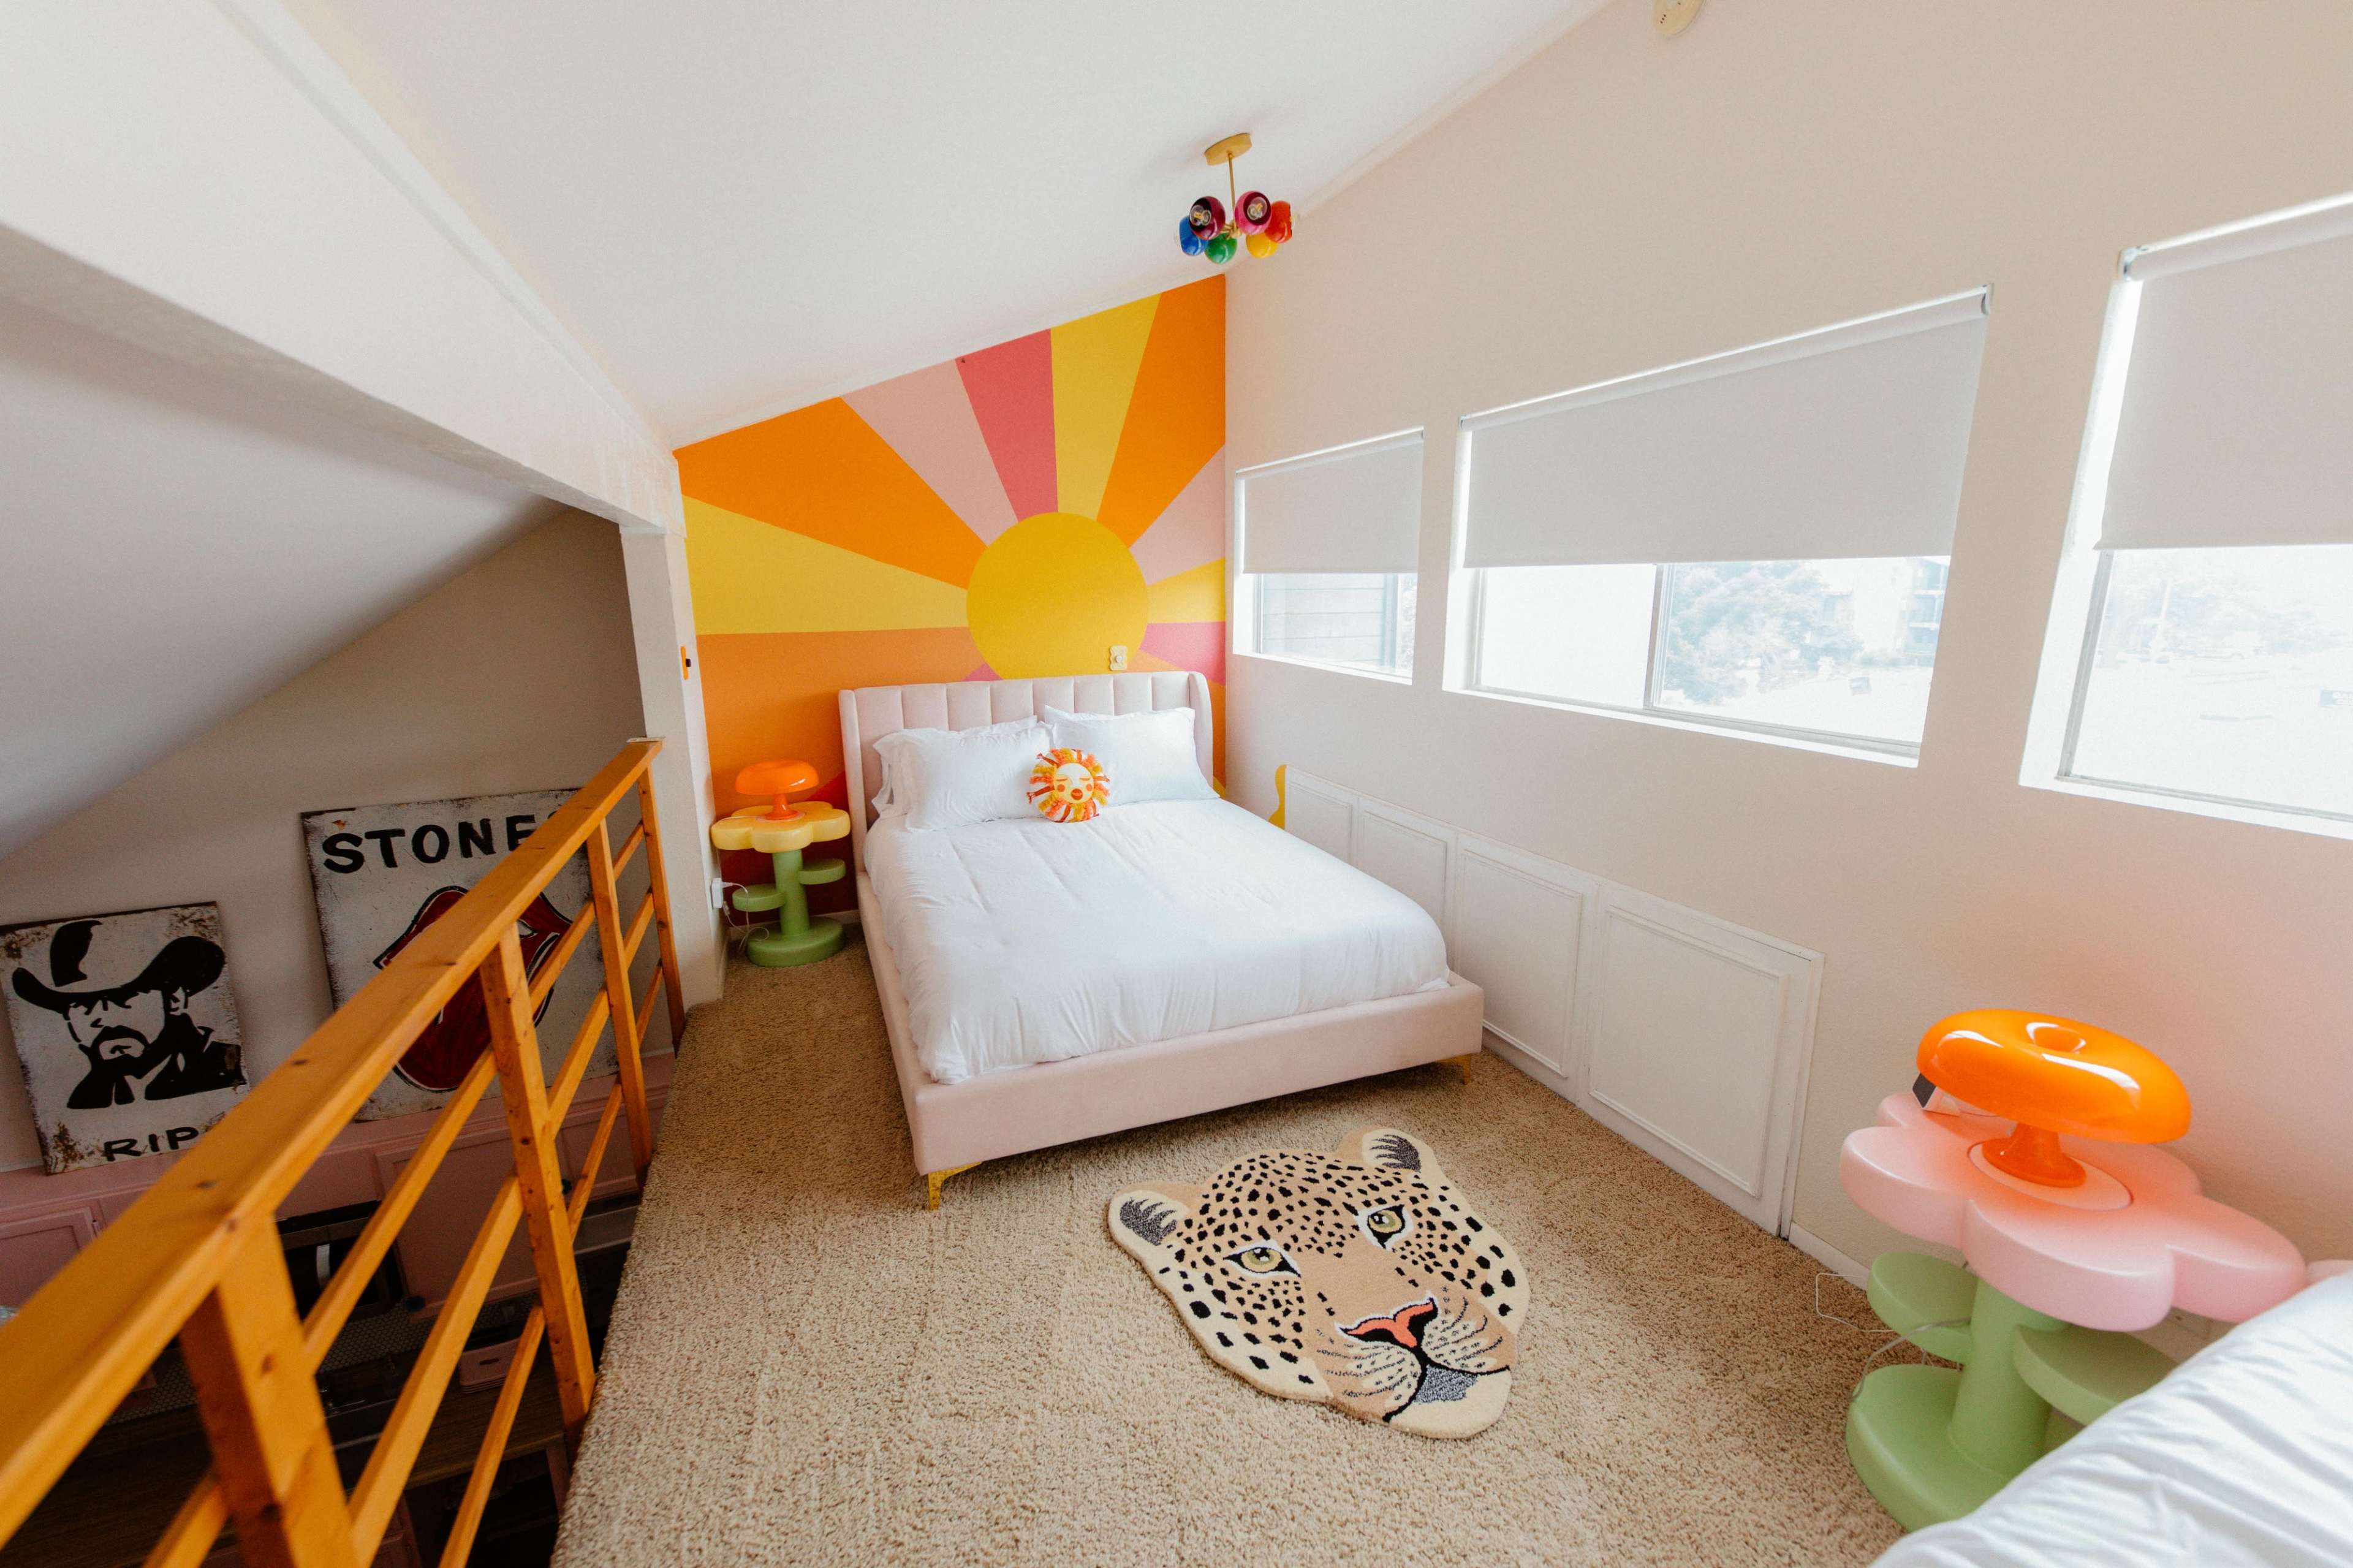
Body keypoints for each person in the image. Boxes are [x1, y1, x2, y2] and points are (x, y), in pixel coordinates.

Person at [10, 920, 246, 1107]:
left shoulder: (224, 1067)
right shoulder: (88, 1095)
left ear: (175, 1000)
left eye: (120, 1000)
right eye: (81, 1006)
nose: (101, 1019)